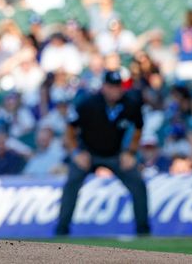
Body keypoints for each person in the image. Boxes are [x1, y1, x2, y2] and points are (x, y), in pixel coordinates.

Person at [55, 70, 150, 236]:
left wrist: (131, 152)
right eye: (111, 87)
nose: (115, 91)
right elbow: (70, 129)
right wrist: (76, 152)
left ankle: (143, 231)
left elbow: (138, 129)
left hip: (115, 154)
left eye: (118, 87)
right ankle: (61, 230)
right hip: (88, 153)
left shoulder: (131, 104)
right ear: (104, 87)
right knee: (71, 183)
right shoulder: (87, 104)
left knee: (138, 183)